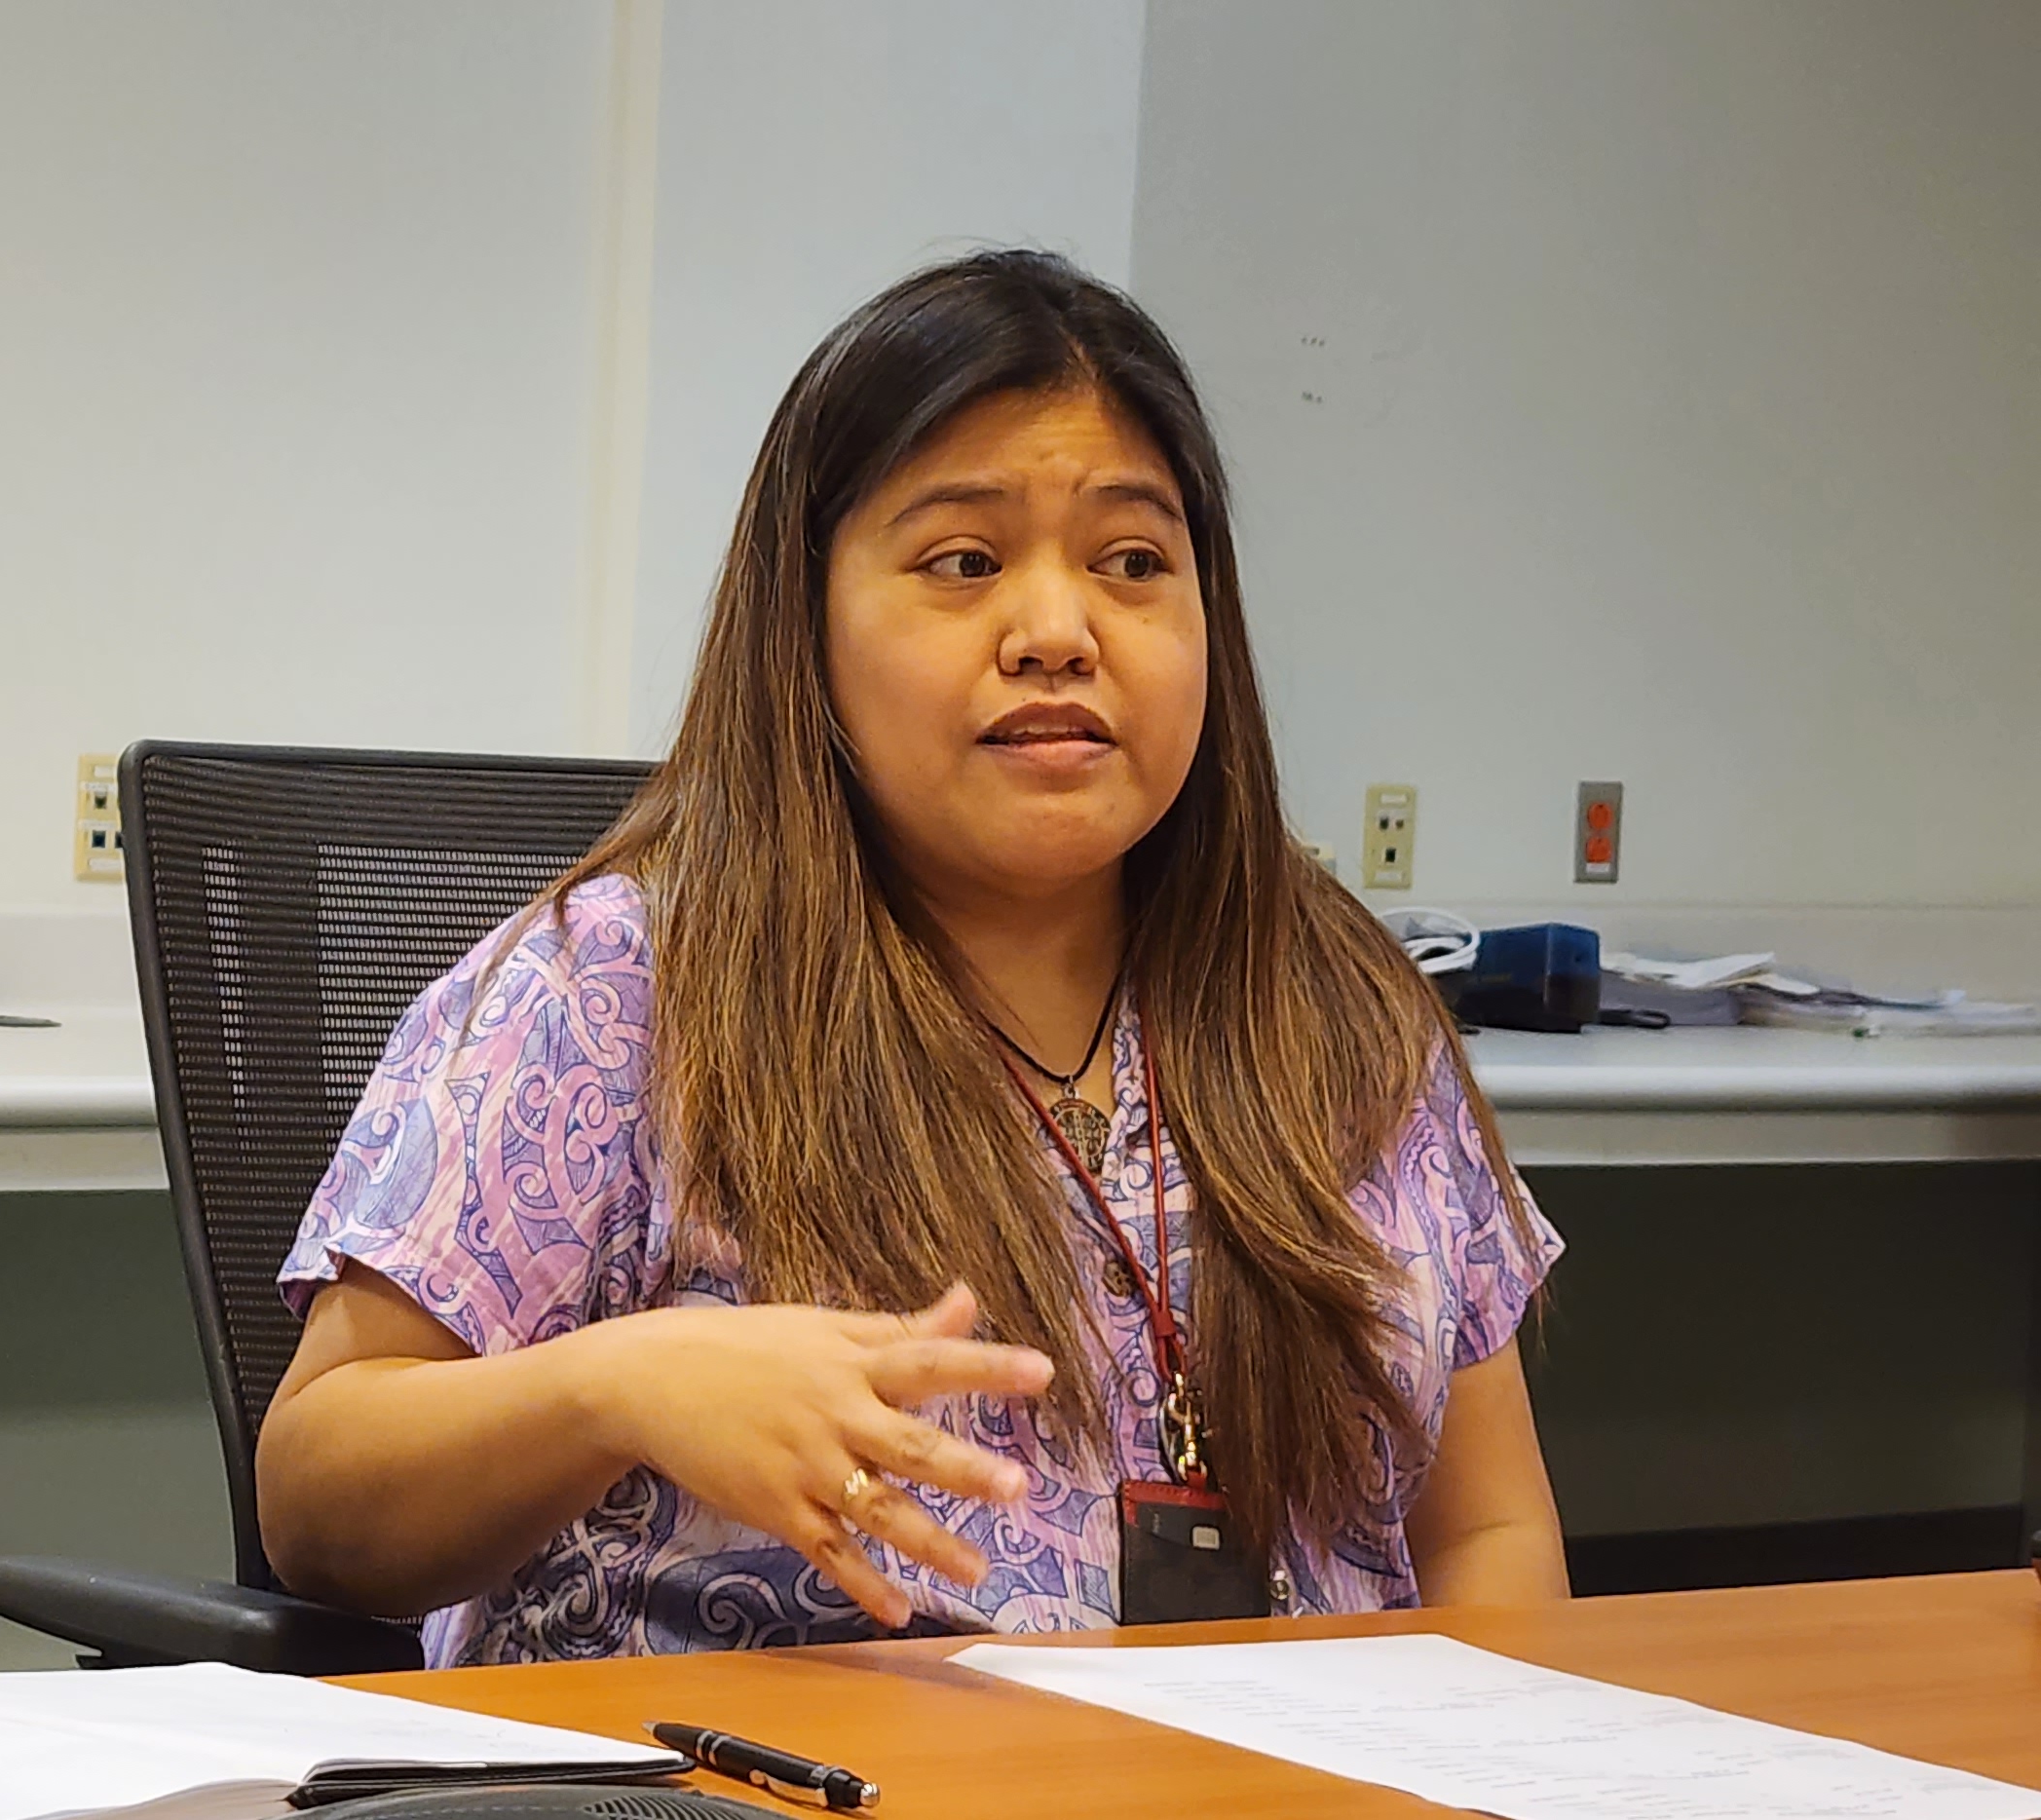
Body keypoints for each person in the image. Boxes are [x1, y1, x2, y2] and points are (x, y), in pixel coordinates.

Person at [255, 250, 1569, 1664]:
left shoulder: (1338, 1011)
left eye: (1134, 563)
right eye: (965, 563)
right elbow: (320, 1494)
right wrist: (614, 1385)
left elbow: (1485, 1531)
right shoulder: (620, 991)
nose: (1058, 633)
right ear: (807, 623)